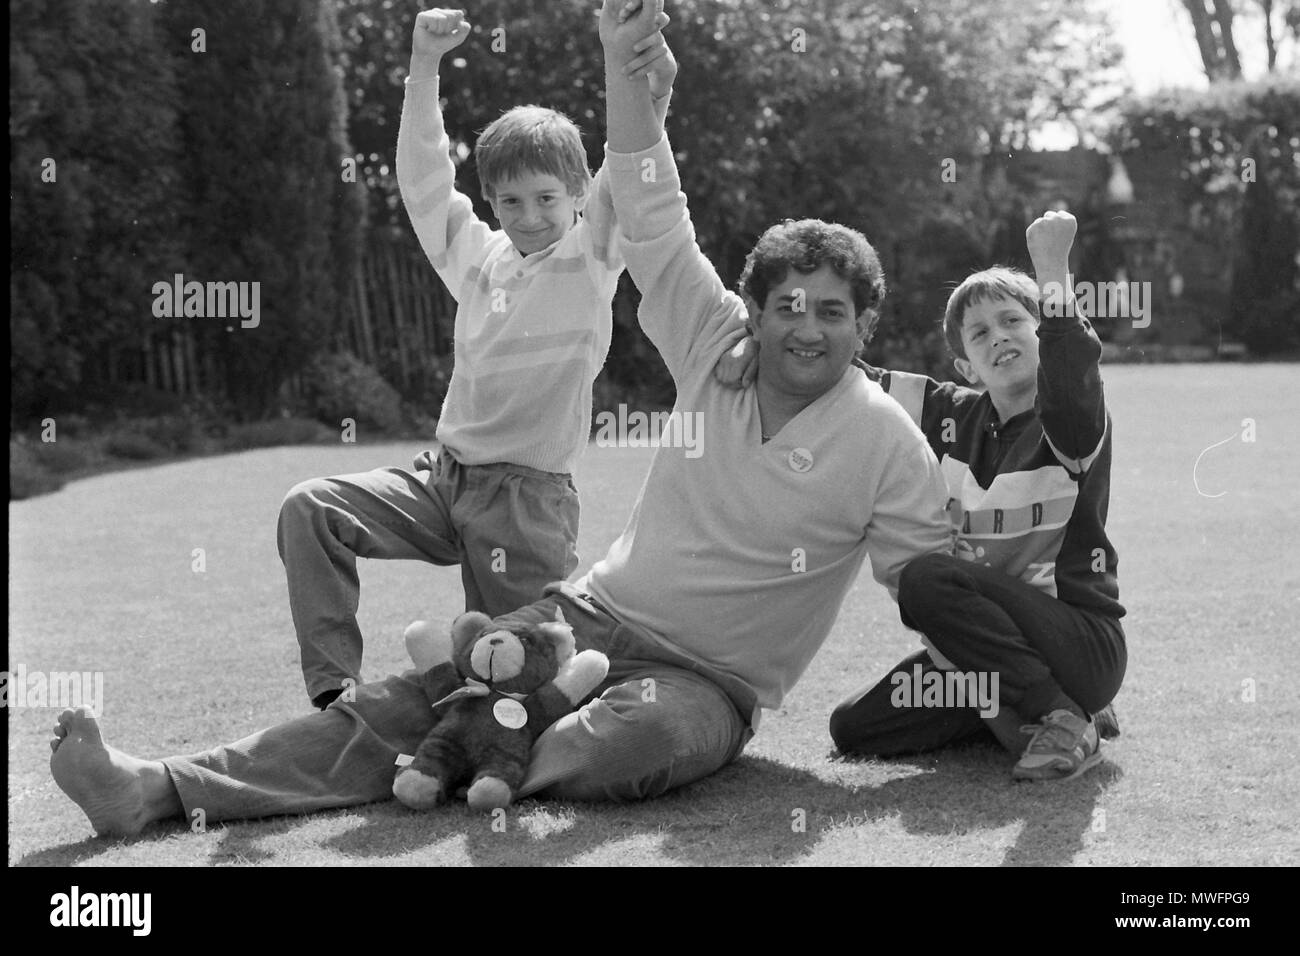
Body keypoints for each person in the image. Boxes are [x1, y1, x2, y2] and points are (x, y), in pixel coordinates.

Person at [48, 0, 951, 836]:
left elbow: (934, 585)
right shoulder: (714, 343)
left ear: (864, 325)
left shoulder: (880, 437)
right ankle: (161, 786)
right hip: (590, 608)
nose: (805, 326)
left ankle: (480, 741)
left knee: (623, 743)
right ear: (756, 312)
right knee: (423, 689)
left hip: (700, 681)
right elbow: (653, 206)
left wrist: (1029, 692)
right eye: (787, 306)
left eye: (831, 312)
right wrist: (615, 67)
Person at [277, 6, 676, 711]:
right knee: (311, 508)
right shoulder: (477, 260)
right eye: (512, 200)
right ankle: (335, 690)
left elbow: (633, 161)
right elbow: (425, 177)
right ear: (491, 201)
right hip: (443, 483)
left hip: (527, 504)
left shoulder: (592, 255)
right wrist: (424, 65)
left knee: (514, 680)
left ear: (579, 196)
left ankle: (615, 679)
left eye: (547, 198)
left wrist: (649, 82)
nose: (529, 215)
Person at [721, 214, 1127, 780]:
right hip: (987, 650)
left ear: (1043, 334)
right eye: (979, 334)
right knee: (856, 728)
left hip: (1079, 640)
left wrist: (1053, 272)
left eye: (1014, 320)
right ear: (966, 365)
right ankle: (1035, 703)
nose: (999, 336)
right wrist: (755, 343)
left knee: (926, 579)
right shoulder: (952, 415)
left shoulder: (1070, 427)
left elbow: (1074, 367)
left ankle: (1060, 712)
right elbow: (846, 369)